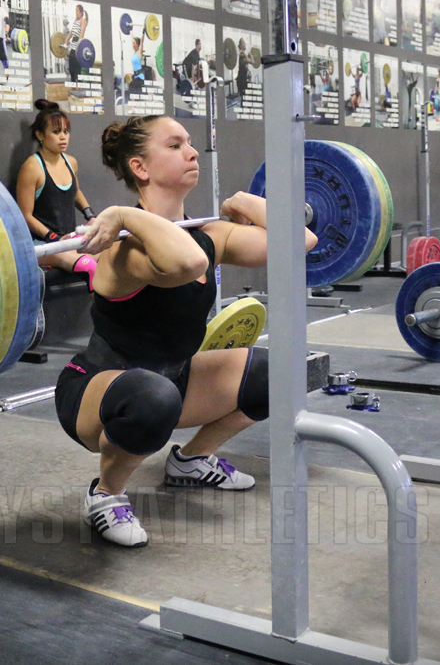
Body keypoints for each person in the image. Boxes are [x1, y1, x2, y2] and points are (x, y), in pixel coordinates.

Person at [55, 116, 318, 547]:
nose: (192, 152)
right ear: (140, 168)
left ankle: (191, 460)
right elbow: (187, 263)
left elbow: (300, 240)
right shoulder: (124, 248)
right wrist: (123, 214)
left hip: (174, 379)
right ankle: (106, 493)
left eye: (190, 143)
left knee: (280, 372)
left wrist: (245, 202)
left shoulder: (207, 234)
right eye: (175, 145)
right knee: (154, 397)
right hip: (100, 391)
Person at [15, 99, 98, 290]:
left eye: (66, 132)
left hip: (68, 240)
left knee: (113, 257)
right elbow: (25, 216)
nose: (63, 137)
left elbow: (75, 191)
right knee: (90, 267)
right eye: (56, 132)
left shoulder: (71, 162)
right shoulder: (32, 167)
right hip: (43, 245)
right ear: (40, 135)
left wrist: (90, 216)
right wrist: (53, 237)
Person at [65, 4, 88, 84]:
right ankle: (73, 86)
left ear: (81, 13)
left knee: (77, 70)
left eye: (77, 11)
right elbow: (71, 32)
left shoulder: (82, 20)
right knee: (71, 69)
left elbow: (82, 33)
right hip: (72, 46)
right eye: (75, 11)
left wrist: (79, 45)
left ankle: (79, 87)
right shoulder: (75, 21)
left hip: (78, 47)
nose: (76, 12)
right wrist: (66, 40)